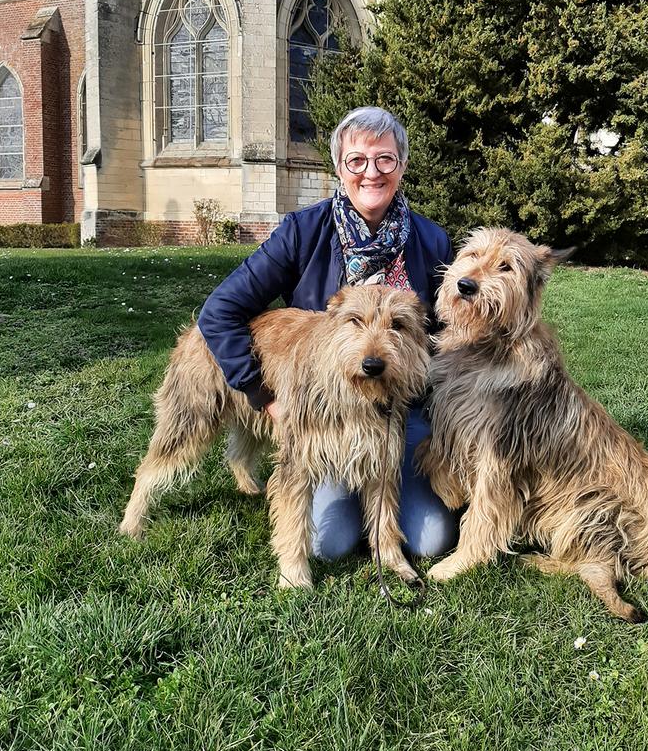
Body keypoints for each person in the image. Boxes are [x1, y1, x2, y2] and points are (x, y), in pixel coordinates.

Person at [197, 106, 460, 560]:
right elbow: (220, 312)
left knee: (433, 539)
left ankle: (379, 510)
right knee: (328, 543)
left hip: (399, 411)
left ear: (402, 165)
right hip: (327, 408)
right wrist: (265, 398)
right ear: (339, 168)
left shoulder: (431, 241)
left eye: (384, 159)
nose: (371, 172)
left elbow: (448, 333)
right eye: (356, 160)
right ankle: (351, 500)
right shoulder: (303, 232)